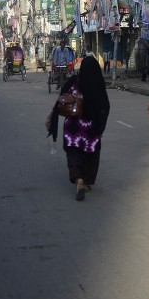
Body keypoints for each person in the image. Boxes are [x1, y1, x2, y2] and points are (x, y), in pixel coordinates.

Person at [46, 56, 110, 202]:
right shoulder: (98, 84)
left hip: (72, 127)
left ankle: (78, 179)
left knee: (73, 153)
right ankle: (86, 181)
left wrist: (52, 116)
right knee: (91, 155)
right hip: (91, 128)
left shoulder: (74, 80)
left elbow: (61, 99)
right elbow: (104, 107)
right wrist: (100, 127)